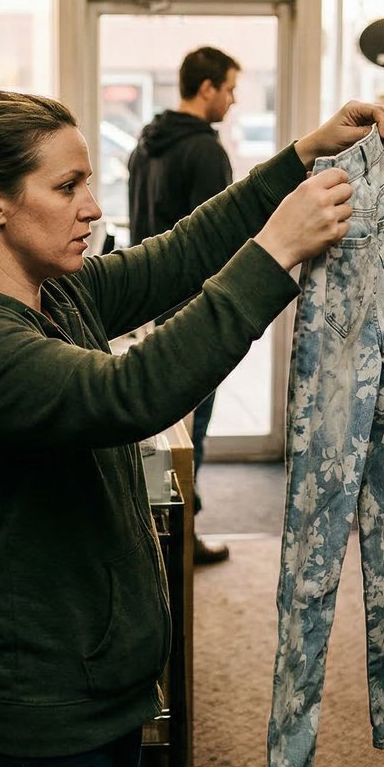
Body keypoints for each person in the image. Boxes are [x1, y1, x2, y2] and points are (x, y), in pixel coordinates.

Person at [0, 90, 384, 767]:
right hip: (32, 723)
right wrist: (276, 250)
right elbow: (130, 393)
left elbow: (180, 254)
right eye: (67, 187)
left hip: (95, 694)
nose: (92, 208)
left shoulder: (55, 294)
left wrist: (302, 155)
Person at [127, 45, 242, 565]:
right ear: (206, 87)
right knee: (190, 432)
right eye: (229, 89)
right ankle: (182, 539)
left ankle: (156, 537)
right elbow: (219, 241)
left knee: (158, 432)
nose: (233, 100)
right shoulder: (205, 153)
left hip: (144, 303)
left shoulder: (145, 144)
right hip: (194, 311)